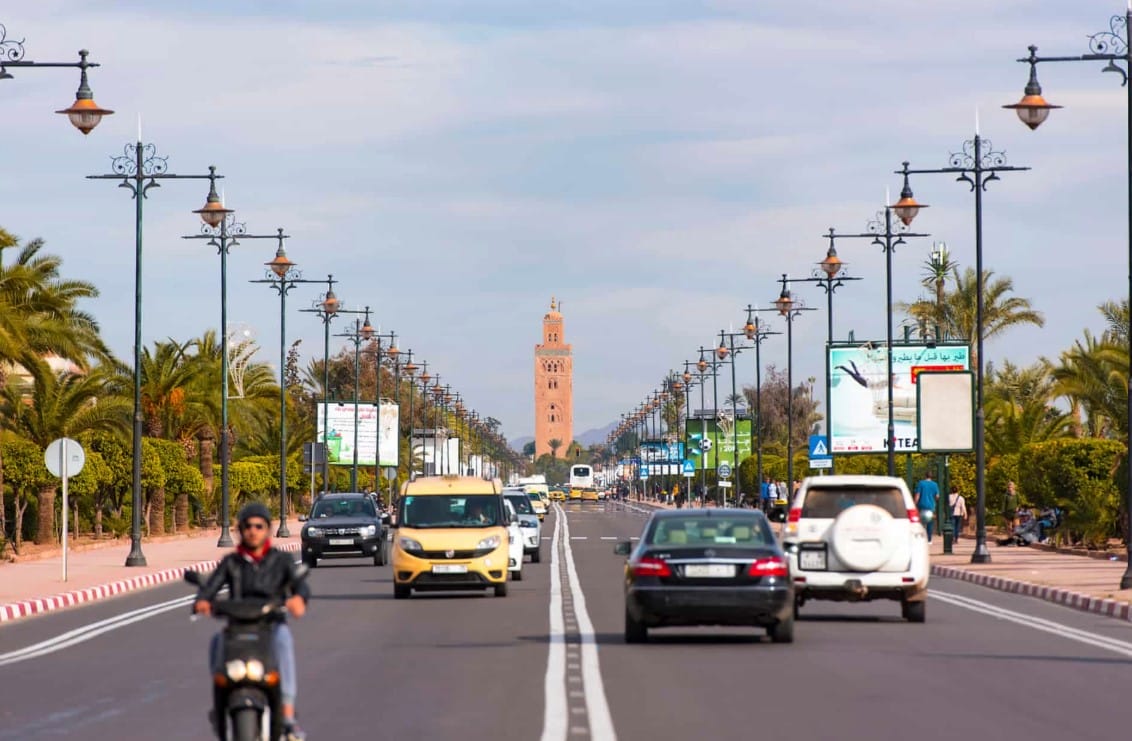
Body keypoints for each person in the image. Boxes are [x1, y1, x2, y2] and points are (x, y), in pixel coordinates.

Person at [194, 503, 310, 740]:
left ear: (268, 529)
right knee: (217, 641)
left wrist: (299, 598)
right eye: (247, 526)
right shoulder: (232, 562)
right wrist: (203, 600)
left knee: (284, 640)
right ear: (240, 530)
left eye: (259, 526)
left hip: (270, 625)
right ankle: (219, 707)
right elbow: (211, 587)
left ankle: (287, 713)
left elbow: (301, 585)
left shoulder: (281, 561)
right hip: (238, 627)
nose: (253, 530)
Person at [914, 471, 940, 543]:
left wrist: (915, 503)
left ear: (925, 475)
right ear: (932, 476)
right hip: (931, 506)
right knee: (930, 523)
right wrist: (934, 500)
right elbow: (937, 496)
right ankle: (929, 539)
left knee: (921, 522)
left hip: (922, 505)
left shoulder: (921, 483)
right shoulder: (935, 484)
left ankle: (920, 538)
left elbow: (918, 495)